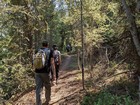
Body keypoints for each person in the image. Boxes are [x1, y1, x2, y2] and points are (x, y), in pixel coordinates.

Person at [34, 41, 55, 105]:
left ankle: (38, 103)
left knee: (38, 88)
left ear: (42, 45)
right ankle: (47, 100)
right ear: (47, 45)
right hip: (46, 72)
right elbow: (52, 63)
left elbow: (34, 61)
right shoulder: (50, 51)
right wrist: (53, 74)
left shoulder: (37, 50)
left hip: (37, 72)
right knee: (47, 86)